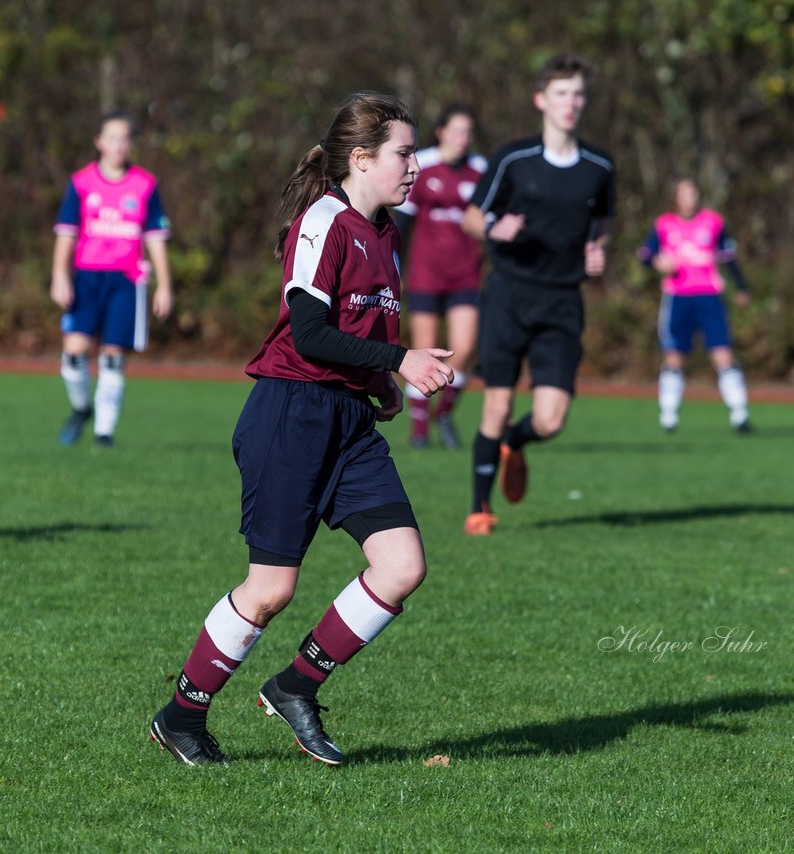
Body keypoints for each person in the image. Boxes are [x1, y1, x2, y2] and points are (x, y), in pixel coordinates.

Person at [149, 92, 454, 767]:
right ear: (362, 158)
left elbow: (362, 332)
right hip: (291, 414)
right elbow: (312, 333)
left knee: (402, 567)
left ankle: (295, 685)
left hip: (348, 423)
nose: (416, 167)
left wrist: (382, 384)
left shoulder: (386, 232)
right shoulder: (325, 221)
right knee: (271, 591)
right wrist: (398, 361)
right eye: (405, 153)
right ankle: (181, 715)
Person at [460, 55, 614, 536]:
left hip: (563, 301)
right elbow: (470, 217)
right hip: (508, 295)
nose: (571, 103)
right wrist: (493, 227)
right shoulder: (513, 158)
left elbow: (604, 223)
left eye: (578, 94)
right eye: (562, 93)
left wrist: (597, 250)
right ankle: (480, 507)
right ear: (541, 100)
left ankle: (515, 443)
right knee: (497, 404)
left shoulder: (599, 167)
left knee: (550, 420)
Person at [50, 111, 173, 448]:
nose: (119, 145)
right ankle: (80, 408)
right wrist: (59, 275)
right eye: (112, 138)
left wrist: (164, 284)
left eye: (125, 139)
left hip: (126, 280)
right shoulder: (81, 182)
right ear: (99, 142)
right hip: (87, 278)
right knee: (74, 352)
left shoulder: (145, 184)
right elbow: (66, 232)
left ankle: (104, 434)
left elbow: (155, 237)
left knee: (112, 357)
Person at [395, 104, 487, 449]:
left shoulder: (480, 171)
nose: (462, 138)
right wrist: (393, 268)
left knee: (463, 348)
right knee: (425, 352)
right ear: (441, 131)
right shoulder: (422, 165)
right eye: (456, 130)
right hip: (425, 274)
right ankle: (419, 430)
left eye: (468, 132)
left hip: (466, 274)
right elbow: (402, 224)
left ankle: (444, 412)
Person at [637, 177, 752, 433]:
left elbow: (729, 257)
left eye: (694, 192)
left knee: (723, 353)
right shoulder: (664, 225)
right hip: (678, 297)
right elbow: (645, 255)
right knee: (674, 356)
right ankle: (669, 416)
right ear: (676, 198)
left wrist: (742, 287)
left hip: (709, 295)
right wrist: (658, 263)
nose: (691, 197)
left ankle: (740, 415)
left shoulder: (712, 222)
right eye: (685, 193)